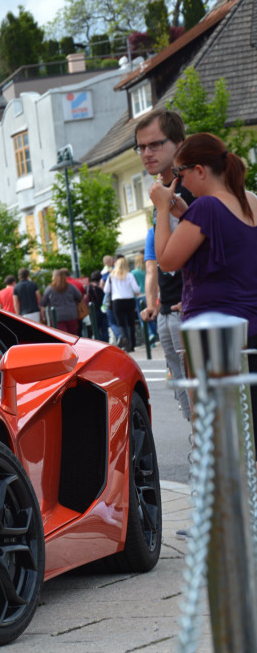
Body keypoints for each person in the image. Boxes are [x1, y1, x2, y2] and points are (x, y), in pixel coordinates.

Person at [149, 131, 257, 354]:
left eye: (180, 173)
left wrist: (161, 208)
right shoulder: (251, 200)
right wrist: (187, 216)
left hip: (216, 335)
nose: (180, 182)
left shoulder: (206, 207)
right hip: (249, 326)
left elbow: (166, 262)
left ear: (199, 170)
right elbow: (235, 255)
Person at [136, 110, 194, 421]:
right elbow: (159, 263)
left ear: (178, 143)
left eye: (155, 144)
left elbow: (169, 256)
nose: (146, 153)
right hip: (169, 307)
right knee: (183, 394)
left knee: (200, 396)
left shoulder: (191, 187)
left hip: (191, 308)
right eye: (141, 147)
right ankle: (199, 448)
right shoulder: (163, 188)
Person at [104, 257, 141, 351]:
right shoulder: (129, 275)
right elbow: (136, 289)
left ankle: (124, 338)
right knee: (130, 323)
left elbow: (106, 290)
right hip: (129, 300)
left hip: (117, 301)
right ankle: (132, 345)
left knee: (120, 323)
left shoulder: (111, 276)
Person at [42, 269, 84, 336]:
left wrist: (43, 316)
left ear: (54, 277)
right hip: (71, 315)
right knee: (73, 336)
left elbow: (43, 303)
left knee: (62, 337)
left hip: (57, 317)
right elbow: (79, 297)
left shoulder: (50, 288)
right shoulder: (71, 287)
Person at [86, 271, 108, 342]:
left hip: (93, 311)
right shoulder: (103, 287)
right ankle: (106, 343)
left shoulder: (89, 287)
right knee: (104, 329)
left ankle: (100, 343)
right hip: (103, 310)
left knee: (96, 329)